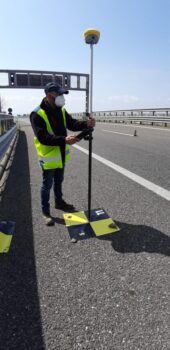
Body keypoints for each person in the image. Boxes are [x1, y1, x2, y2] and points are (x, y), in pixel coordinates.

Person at [30, 82, 95, 226]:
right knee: (47, 184)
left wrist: (86, 124)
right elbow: (43, 137)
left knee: (59, 181)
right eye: (58, 94)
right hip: (48, 156)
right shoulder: (37, 114)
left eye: (62, 94)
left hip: (61, 155)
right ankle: (45, 212)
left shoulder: (61, 109)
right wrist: (64, 139)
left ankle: (59, 202)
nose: (61, 97)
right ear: (49, 96)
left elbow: (72, 124)